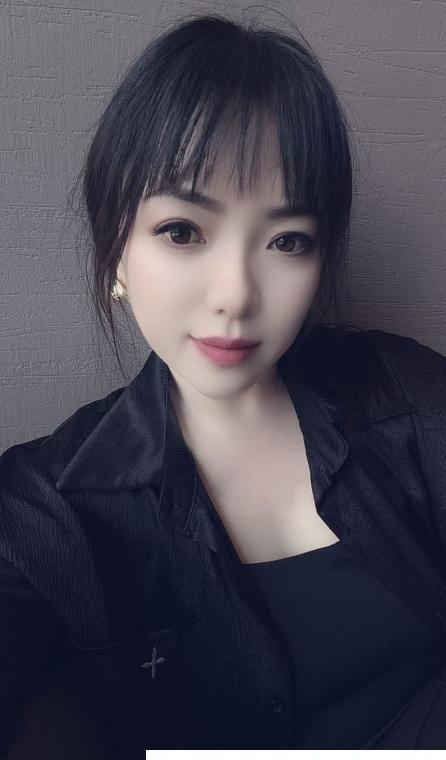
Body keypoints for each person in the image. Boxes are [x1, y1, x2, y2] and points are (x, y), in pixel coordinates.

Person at [2, 12, 446, 757]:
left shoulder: (407, 401)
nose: (236, 295)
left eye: (287, 241)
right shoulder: (47, 509)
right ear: (116, 248)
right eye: (183, 231)